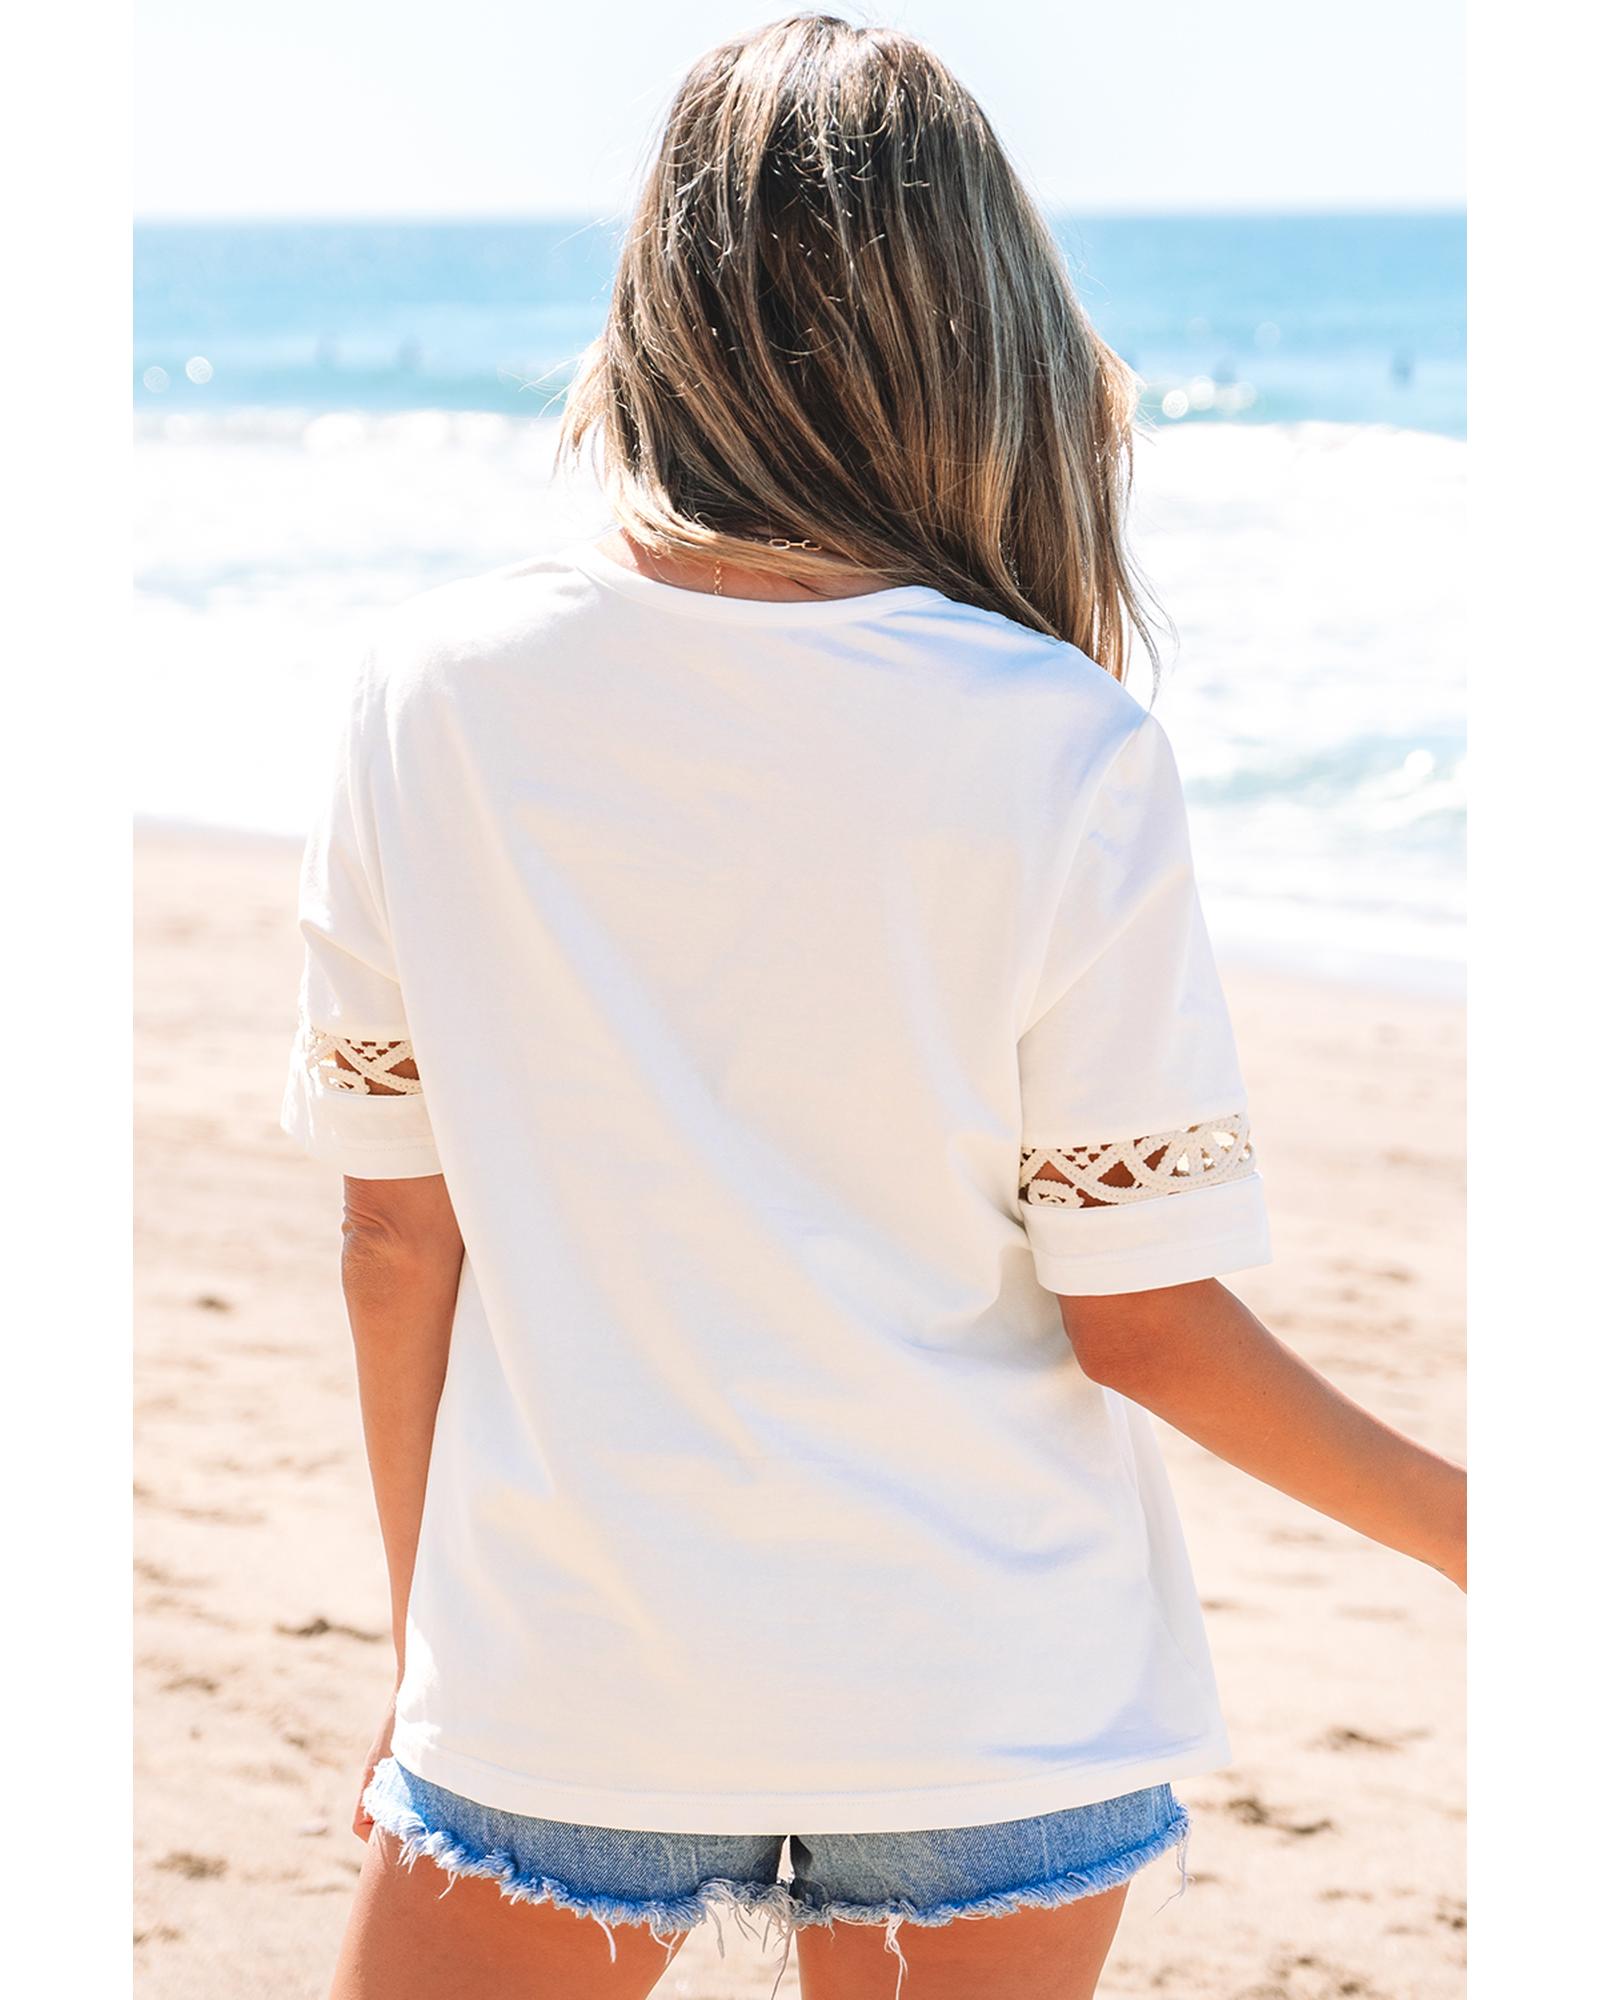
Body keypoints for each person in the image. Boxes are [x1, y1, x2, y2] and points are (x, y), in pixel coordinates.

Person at [281, 17, 1465, 1999]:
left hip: (570, 1664)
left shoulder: (430, 696)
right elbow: (1143, 1319)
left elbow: (396, 1236)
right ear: (984, 332)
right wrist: (1473, 1530)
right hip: (986, 1687)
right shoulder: (1065, 744)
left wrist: (432, 1653)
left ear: (661, 310)